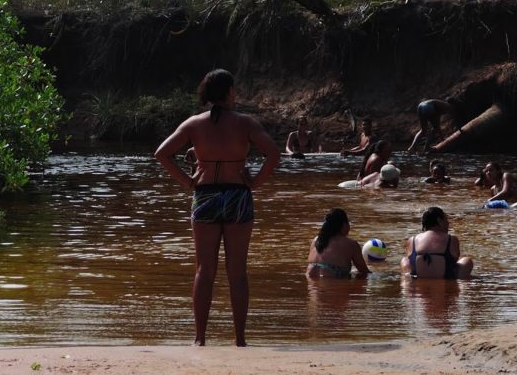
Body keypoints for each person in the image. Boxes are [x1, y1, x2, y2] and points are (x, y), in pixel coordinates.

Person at [154, 69, 280, 347]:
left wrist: (188, 182)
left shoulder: (193, 124)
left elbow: (162, 154)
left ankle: (199, 339)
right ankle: (240, 339)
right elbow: (273, 153)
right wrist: (256, 181)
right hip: (237, 195)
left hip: (206, 196)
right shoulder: (245, 123)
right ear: (230, 92)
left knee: (204, 270)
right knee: (237, 271)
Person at [401, 206, 474, 280]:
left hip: (418, 276)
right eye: (446, 219)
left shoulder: (412, 240)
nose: (448, 223)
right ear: (439, 221)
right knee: (466, 261)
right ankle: (455, 283)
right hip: (445, 277)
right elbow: (454, 260)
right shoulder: (451, 239)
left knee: (405, 260)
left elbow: (412, 261)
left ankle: (408, 281)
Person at [306, 208, 371, 279]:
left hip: (312, 288)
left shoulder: (315, 240)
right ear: (344, 225)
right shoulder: (351, 244)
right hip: (333, 287)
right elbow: (364, 272)